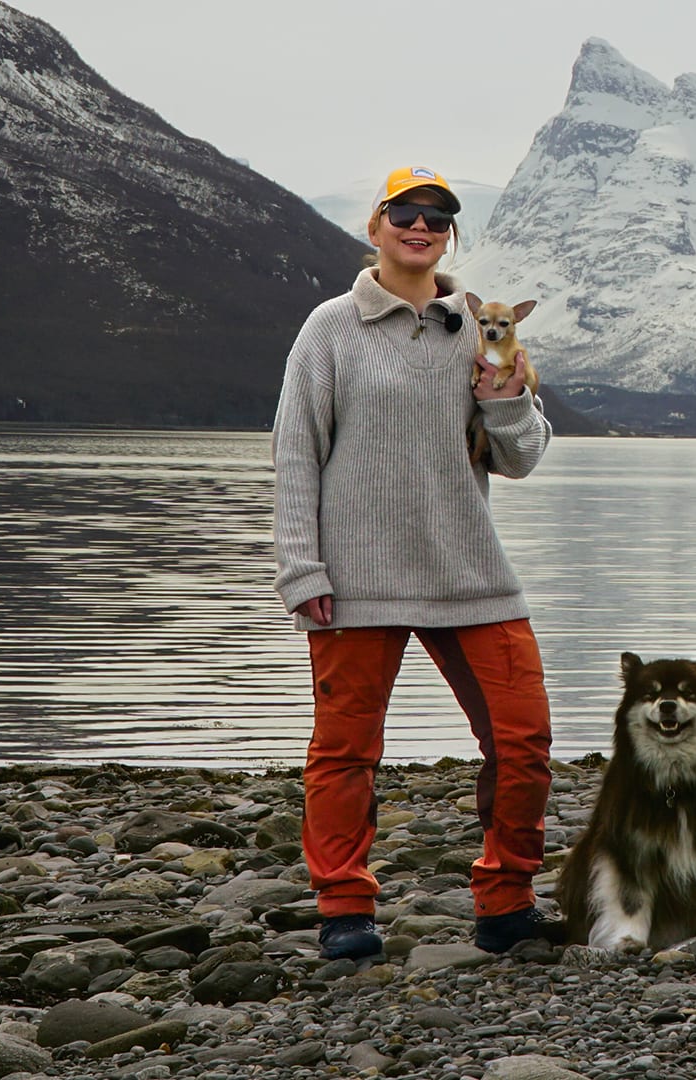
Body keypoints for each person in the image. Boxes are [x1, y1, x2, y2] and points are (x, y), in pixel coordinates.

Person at [272, 165, 558, 959]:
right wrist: (301, 569)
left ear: (449, 235)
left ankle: (506, 900)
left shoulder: (482, 329)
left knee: (524, 740)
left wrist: (505, 399)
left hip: (470, 573)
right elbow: (295, 453)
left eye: (438, 216)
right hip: (355, 580)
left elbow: (523, 457)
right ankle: (344, 907)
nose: (421, 226)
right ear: (376, 225)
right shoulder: (330, 328)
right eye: (405, 212)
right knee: (345, 751)